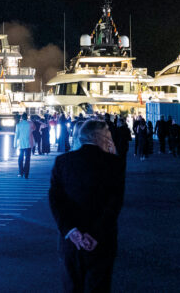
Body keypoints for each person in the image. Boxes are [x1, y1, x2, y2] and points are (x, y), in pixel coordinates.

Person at [48, 119, 125, 293]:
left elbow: (55, 200)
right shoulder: (114, 163)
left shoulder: (63, 161)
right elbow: (114, 204)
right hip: (102, 239)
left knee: (72, 285)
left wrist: (71, 231)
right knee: (98, 286)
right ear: (102, 137)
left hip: (71, 239)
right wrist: (96, 234)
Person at [15, 113, 34, 178]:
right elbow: (34, 128)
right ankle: (26, 174)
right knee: (27, 159)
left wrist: (15, 144)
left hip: (21, 144)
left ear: (21, 118)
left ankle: (21, 172)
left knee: (20, 158)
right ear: (27, 117)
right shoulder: (30, 124)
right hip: (28, 143)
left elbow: (16, 135)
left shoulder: (18, 125)